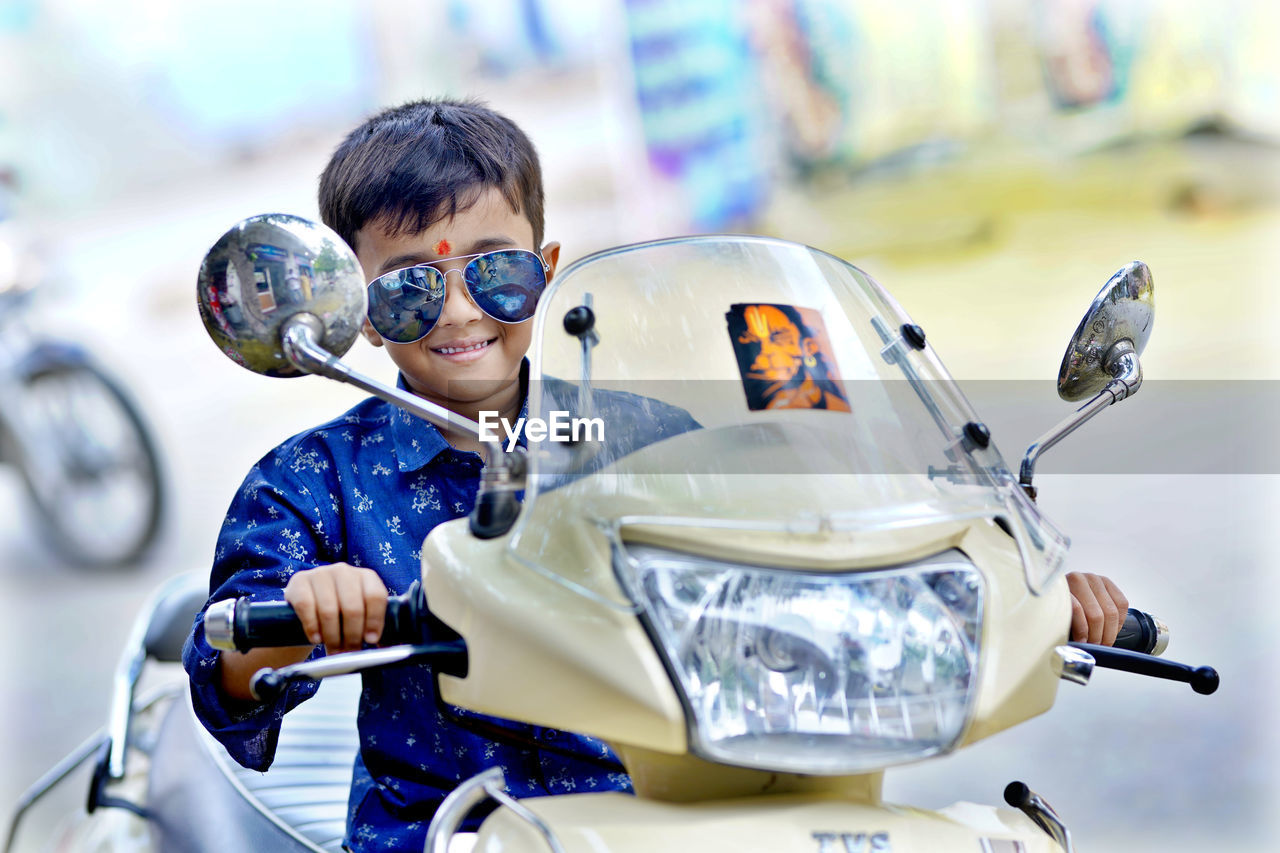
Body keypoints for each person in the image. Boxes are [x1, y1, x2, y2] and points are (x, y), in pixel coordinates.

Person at [183, 99, 635, 853]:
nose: (459, 311)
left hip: (659, 814)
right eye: (410, 289)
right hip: (439, 831)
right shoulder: (312, 478)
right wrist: (298, 613)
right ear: (359, 311)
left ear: (546, 270)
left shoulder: (635, 436)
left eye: (495, 271)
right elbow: (223, 679)